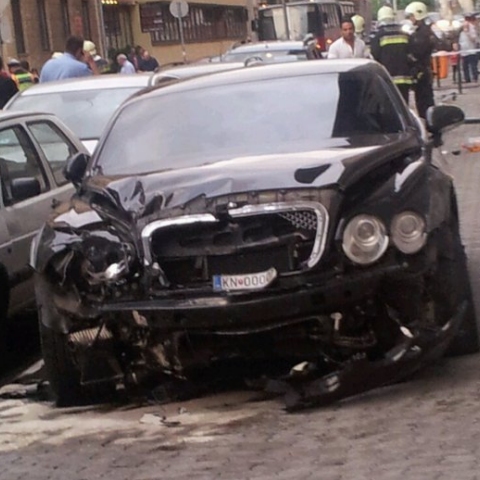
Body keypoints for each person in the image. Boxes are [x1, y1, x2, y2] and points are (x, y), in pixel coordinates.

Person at [370, 5, 413, 103]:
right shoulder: (404, 34)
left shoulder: (379, 35)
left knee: (390, 108)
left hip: (388, 79)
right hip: (404, 79)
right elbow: (411, 54)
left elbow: (375, 57)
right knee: (404, 106)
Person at [404, 1, 436, 119]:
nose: (410, 19)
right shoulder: (422, 31)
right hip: (423, 72)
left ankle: (431, 126)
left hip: (422, 72)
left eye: (411, 15)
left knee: (424, 103)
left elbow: (417, 53)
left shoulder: (422, 34)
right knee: (423, 102)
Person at [459, 18, 478, 83]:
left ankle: (475, 78)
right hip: (464, 52)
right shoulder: (461, 32)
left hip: (471, 51)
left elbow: (474, 39)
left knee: (473, 65)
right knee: (465, 66)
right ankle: (467, 79)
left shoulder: (472, 31)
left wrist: (468, 33)